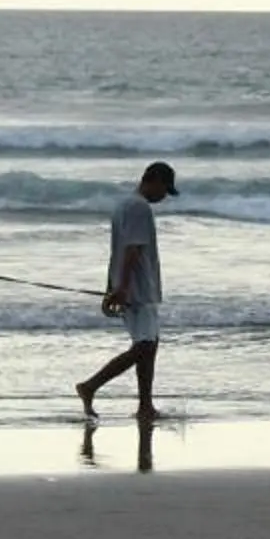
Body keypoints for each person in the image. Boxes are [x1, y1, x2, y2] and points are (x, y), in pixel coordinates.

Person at [78, 160, 175, 419]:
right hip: (138, 288)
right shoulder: (139, 208)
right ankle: (90, 386)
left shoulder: (124, 205)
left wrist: (111, 286)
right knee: (144, 346)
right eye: (165, 189)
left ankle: (145, 405)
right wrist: (121, 287)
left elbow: (116, 251)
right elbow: (132, 250)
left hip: (131, 285)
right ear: (154, 181)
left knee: (149, 344)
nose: (164, 196)